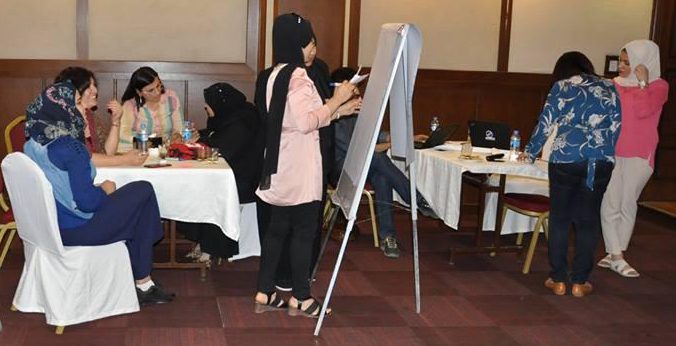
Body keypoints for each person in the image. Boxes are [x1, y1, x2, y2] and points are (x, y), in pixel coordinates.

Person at [23, 81, 174, 305]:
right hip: (79, 228)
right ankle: (143, 280)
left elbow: (62, 186)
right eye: (76, 103)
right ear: (62, 108)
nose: (82, 108)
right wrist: (105, 190)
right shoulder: (70, 148)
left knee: (137, 205)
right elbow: (87, 203)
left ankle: (142, 276)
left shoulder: (33, 142)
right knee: (143, 191)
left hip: (49, 227)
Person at [253, 13, 360, 318]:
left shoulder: (277, 73)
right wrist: (337, 99)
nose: (314, 49)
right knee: (303, 232)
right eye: (310, 43)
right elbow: (305, 122)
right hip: (299, 165)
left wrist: (338, 112)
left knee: (277, 230)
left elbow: (298, 118)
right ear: (296, 44)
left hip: (281, 162)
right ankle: (301, 297)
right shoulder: (299, 77)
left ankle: (265, 291)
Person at [519, 51, 621, 297]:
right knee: (588, 221)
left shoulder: (561, 86)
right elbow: (617, 126)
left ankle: (558, 280)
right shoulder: (609, 86)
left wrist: (530, 152)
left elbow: (546, 122)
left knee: (560, 219)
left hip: (566, 157)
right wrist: (604, 151)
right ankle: (580, 282)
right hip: (599, 160)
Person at [330, 67, 437, 259]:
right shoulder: (334, 116)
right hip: (341, 171)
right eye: (354, 88)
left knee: (381, 175)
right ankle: (414, 198)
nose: (358, 93)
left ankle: (389, 237)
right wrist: (390, 144)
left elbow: (378, 135)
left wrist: (408, 138)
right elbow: (360, 151)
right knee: (378, 159)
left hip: (365, 166)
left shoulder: (357, 109)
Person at [599, 40, 669, 278]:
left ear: (642, 62)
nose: (621, 66)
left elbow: (642, 110)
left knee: (627, 202)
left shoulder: (659, 87)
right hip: (613, 150)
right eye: (621, 61)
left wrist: (642, 83)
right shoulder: (613, 85)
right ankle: (615, 255)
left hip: (641, 153)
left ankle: (616, 251)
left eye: (628, 62)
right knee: (610, 201)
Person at [180, 82, 265, 264]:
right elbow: (216, 135)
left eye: (208, 103)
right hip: (230, 173)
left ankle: (210, 247)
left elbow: (224, 148)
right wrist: (201, 136)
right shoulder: (232, 115)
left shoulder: (244, 121)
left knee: (205, 189)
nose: (205, 107)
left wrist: (201, 141)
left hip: (244, 180)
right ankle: (204, 243)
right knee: (195, 186)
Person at [54, 67, 146, 167]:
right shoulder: (63, 121)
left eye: (94, 85)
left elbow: (107, 154)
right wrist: (125, 159)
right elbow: (83, 158)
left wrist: (116, 121)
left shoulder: (90, 116)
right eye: (89, 87)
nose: (95, 91)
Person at [117, 66, 188, 152]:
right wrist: (157, 143)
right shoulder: (130, 106)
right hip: (137, 153)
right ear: (139, 92)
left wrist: (177, 136)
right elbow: (123, 136)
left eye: (158, 86)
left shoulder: (170, 97)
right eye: (151, 90)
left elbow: (179, 127)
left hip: (165, 153)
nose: (157, 92)